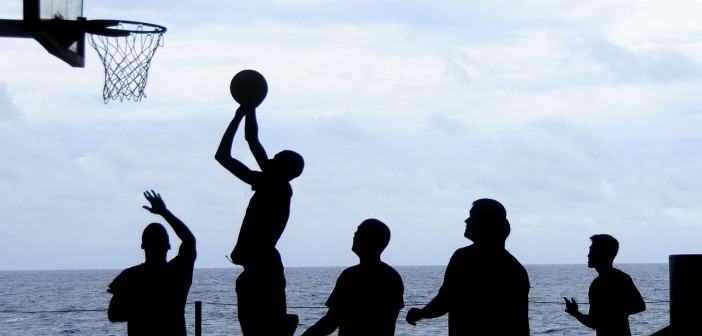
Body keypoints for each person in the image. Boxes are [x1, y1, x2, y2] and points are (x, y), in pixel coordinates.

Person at [215, 103, 304, 335]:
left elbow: (243, 145)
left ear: (284, 168)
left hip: (263, 269)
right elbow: (240, 146)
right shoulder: (272, 184)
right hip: (259, 267)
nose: (270, 160)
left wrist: (244, 111)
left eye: (276, 158)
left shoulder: (277, 187)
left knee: (262, 328)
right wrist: (246, 109)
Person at [405, 198, 530, 335]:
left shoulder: (464, 258)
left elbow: (445, 299)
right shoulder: (515, 269)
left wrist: (421, 313)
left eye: (472, 216)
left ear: (485, 223)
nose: (467, 221)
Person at [107, 190, 197, 336]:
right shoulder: (177, 272)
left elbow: (114, 315)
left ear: (143, 246)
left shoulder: (130, 276)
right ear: (168, 247)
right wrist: (164, 212)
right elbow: (189, 241)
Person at [302, 219, 405, 336]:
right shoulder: (392, 276)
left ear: (372, 240)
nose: (355, 235)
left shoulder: (350, 276)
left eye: (360, 231)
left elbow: (331, 321)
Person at [564, 234, 646, 336]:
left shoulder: (598, 284)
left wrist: (576, 313)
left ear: (602, 254)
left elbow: (593, 322)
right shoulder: (622, 278)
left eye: (592, 250)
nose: (588, 255)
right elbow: (640, 306)